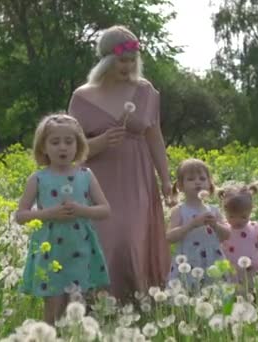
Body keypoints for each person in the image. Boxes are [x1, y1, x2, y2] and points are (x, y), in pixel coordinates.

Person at [68, 25, 171, 299]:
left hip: (137, 177)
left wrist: (166, 179)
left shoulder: (146, 91)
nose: (128, 66)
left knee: (129, 237)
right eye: (121, 60)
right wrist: (99, 143)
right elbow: (68, 148)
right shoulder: (82, 97)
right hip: (97, 179)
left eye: (132, 60)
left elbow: (154, 137)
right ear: (106, 61)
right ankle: (96, 301)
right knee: (104, 239)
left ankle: (136, 300)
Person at [15, 113, 111, 324]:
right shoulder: (38, 178)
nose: (63, 147)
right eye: (55, 142)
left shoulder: (86, 175)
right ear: (43, 147)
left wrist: (80, 209)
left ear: (79, 146)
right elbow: (20, 216)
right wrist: (48, 214)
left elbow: (105, 210)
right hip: (50, 249)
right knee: (53, 302)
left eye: (69, 142)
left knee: (78, 304)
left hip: (80, 246)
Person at [166, 158, 231, 291]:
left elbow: (227, 234)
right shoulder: (179, 211)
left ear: (209, 184)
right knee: (188, 292)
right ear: (180, 186)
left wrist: (216, 226)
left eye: (202, 178)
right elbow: (170, 237)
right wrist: (191, 224)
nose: (197, 182)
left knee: (216, 291)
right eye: (191, 179)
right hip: (188, 260)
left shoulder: (214, 210)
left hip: (213, 258)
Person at [218, 183, 258, 288]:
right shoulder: (223, 230)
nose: (237, 221)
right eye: (232, 216)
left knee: (255, 292)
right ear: (224, 212)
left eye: (243, 217)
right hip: (232, 271)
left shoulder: (255, 228)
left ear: (250, 211)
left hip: (253, 271)